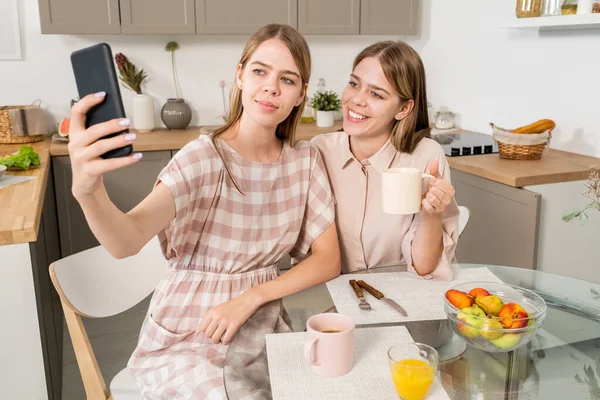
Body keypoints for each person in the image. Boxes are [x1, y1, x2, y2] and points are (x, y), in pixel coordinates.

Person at [67, 24, 340, 399]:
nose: (271, 87)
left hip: (263, 333)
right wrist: (87, 190)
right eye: (260, 71)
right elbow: (125, 241)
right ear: (240, 76)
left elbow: (328, 260)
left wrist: (252, 296)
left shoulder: (304, 162)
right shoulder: (203, 157)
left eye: (287, 79)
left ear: (300, 95)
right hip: (190, 336)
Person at [311, 40, 458, 281]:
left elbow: (423, 266)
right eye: (353, 84)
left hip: (397, 295)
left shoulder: (426, 156)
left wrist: (433, 213)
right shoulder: (320, 150)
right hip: (330, 295)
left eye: (376, 94)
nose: (356, 100)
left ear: (403, 109)